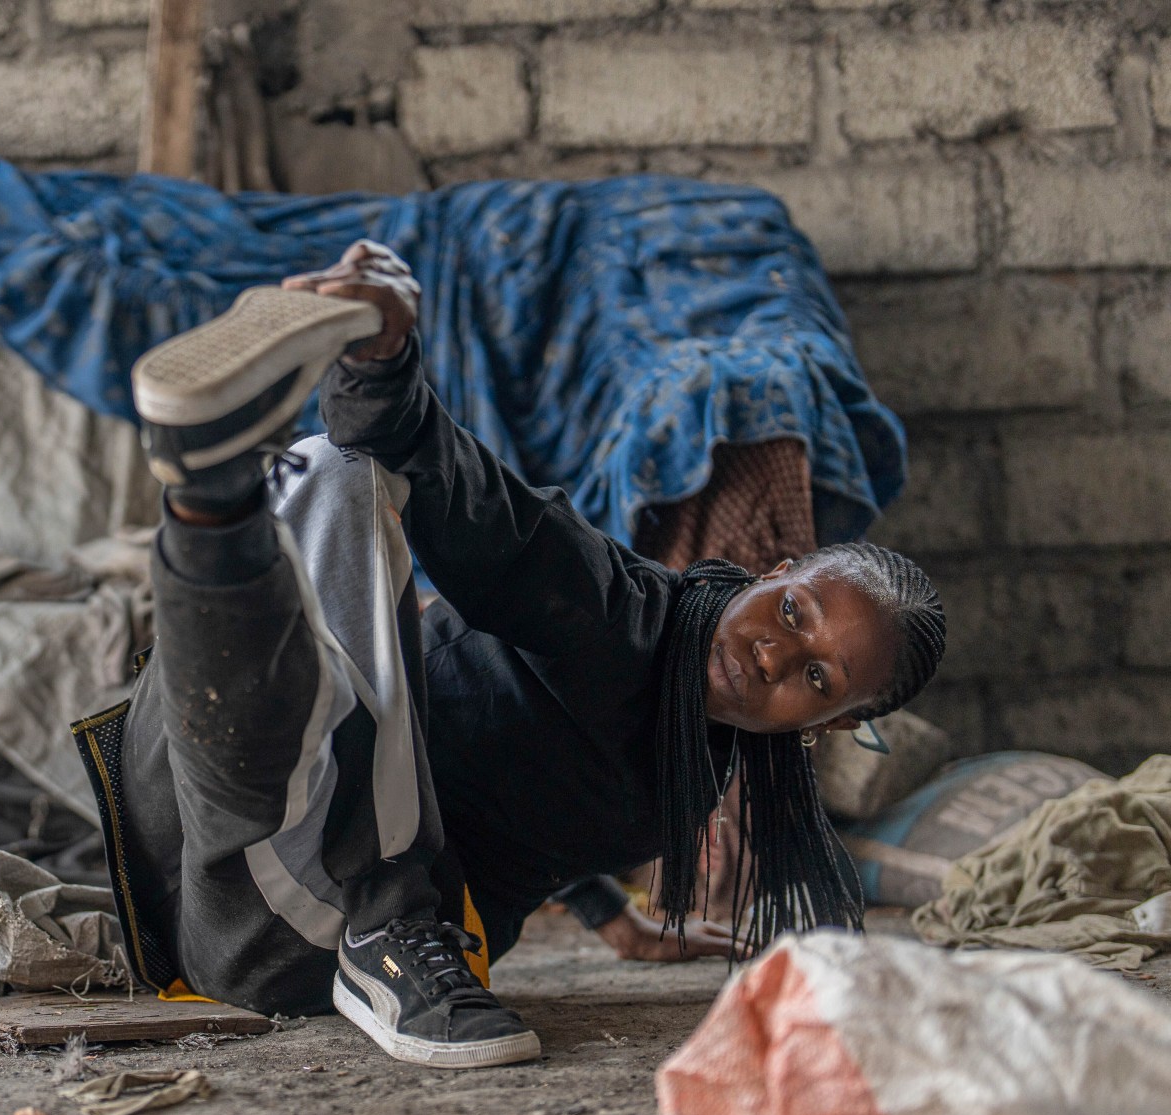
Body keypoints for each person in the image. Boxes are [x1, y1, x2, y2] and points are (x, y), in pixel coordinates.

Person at [73, 241, 946, 1070]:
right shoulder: (623, 615)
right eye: (793, 611)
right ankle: (218, 498)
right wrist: (382, 364)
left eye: (818, 678)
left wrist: (611, 917)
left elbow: (556, 805)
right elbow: (483, 511)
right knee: (343, 472)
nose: (772, 657)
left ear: (836, 723)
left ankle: (209, 505)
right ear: (776, 571)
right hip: (219, 837)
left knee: (333, 516)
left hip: (274, 921)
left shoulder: (695, 763)